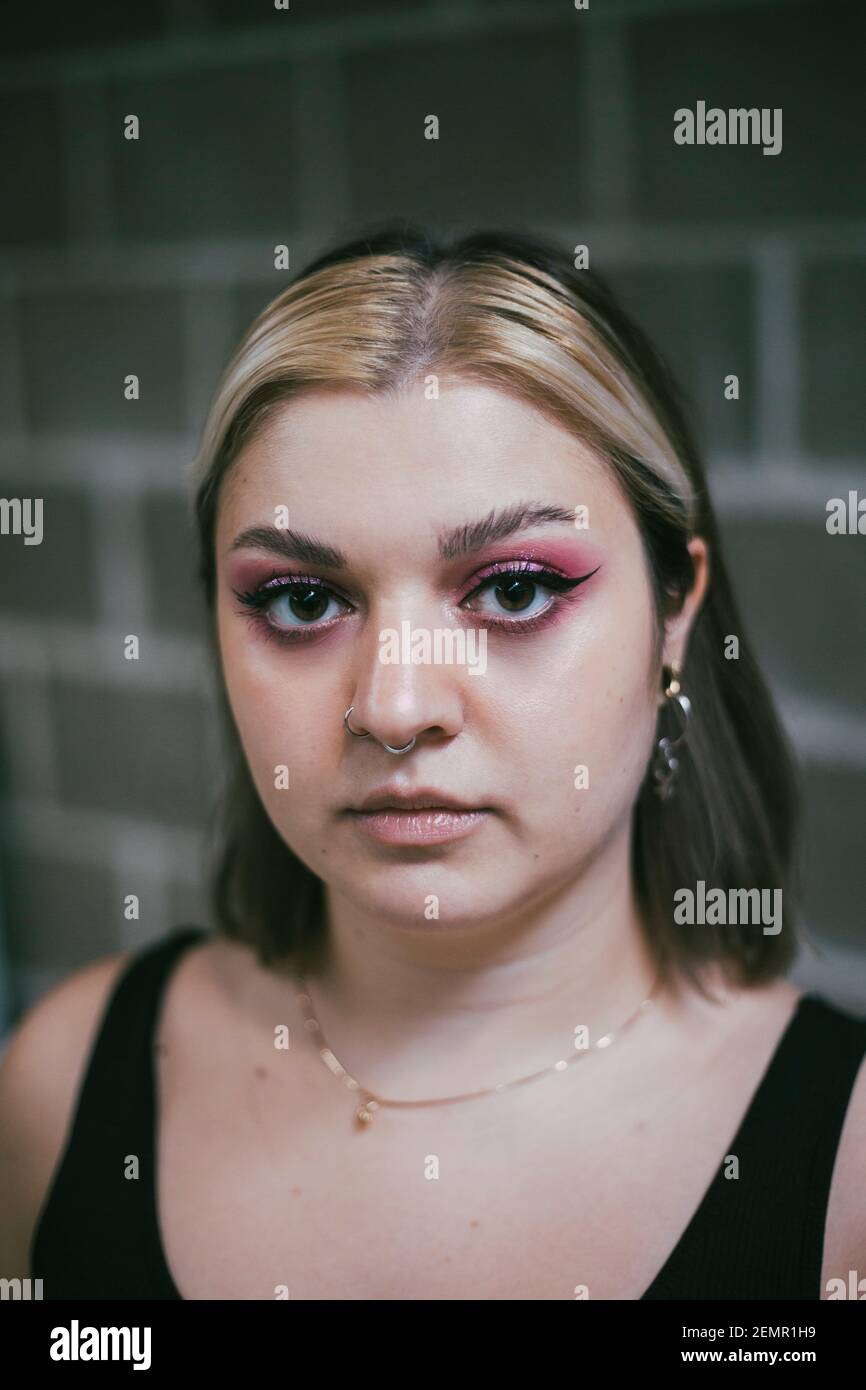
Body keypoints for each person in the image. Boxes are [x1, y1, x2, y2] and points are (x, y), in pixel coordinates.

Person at [1, 227, 864, 1301]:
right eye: (302, 601)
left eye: (511, 590)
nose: (394, 707)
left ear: (675, 613)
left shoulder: (850, 1176)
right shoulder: (59, 1080)